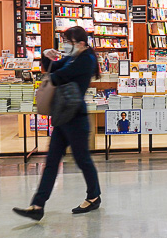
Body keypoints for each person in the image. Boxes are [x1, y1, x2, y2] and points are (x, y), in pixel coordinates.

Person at [13, 26, 102, 220]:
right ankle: (37, 206)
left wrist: (51, 64)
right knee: (52, 161)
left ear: (80, 43)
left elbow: (57, 75)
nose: (65, 46)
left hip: (76, 118)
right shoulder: (74, 57)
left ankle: (94, 196)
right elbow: (53, 67)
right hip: (63, 115)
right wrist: (46, 56)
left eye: (68, 42)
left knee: (82, 160)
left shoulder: (86, 60)